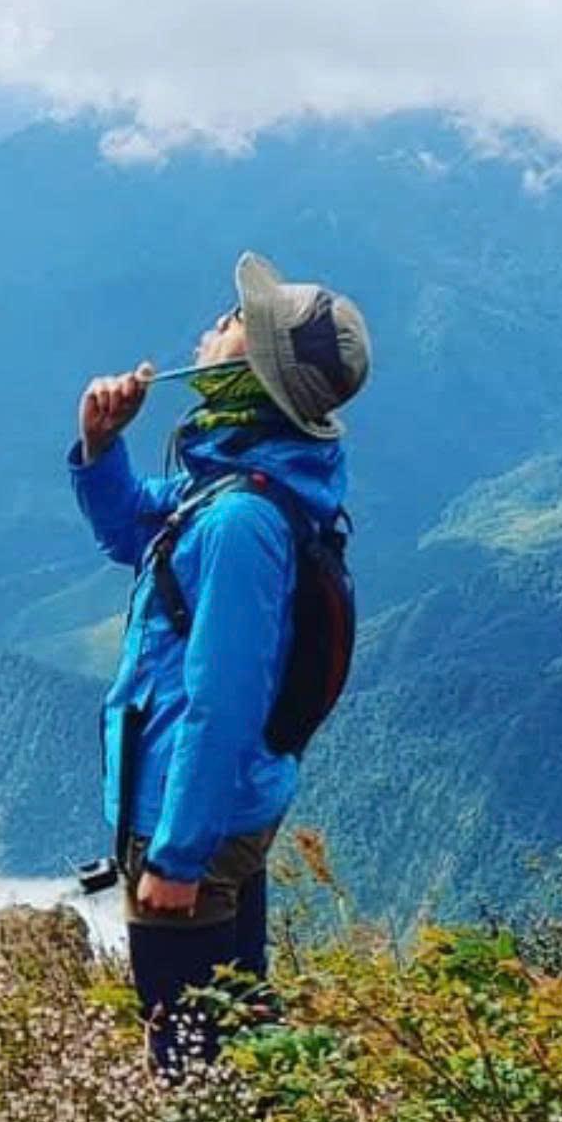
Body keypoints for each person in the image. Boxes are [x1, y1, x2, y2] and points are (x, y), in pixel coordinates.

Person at [70, 251, 371, 1074]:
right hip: (208, 811)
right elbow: (136, 532)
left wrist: (177, 856)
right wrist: (102, 446)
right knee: (236, 1031)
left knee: (189, 1058)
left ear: (257, 373)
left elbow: (222, 702)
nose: (214, 323)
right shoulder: (243, 478)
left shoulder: (241, 520)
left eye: (236, 321)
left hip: (192, 818)